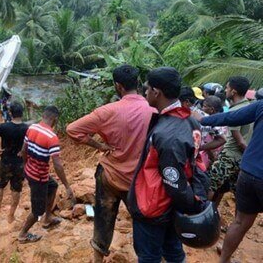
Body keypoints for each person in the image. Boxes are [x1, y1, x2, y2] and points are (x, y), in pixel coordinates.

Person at [66, 64, 154, 261]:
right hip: (138, 179)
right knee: (142, 221)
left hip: (110, 175)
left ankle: (98, 259)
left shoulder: (107, 111)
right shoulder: (153, 110)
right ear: (138, 83)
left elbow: (72, 129)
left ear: (118, 86)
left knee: (103, 219)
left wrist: (98, 145)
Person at [127, 67, 206, 263]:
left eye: (146, 89)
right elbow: (196, 164)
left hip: (155, 206)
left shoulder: (167, 134)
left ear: (156, 92)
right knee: (173, 250)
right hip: (173, 206)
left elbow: (174, 181)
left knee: (149, 257)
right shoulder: (190, 121)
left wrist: (192, 203)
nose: (144, 93)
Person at [197, 100, 262, 263]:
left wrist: (202, 119)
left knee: (240, 222)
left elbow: (231, 117)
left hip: (247, 173)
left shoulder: (261, 105)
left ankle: (224, 260)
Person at [17, 106, 74, 244]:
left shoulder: (32, 128)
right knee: (37, 211)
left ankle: (48, 218)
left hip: (31, 171)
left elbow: (23, 150)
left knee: (53, 186)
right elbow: (58, 165)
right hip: (38, 177)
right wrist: (67, 186)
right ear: (54, 119)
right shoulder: (51, 137)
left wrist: (26, 166)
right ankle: (23, 234)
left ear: (43, 115)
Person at [208, 76, 252, 208]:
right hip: (241, 159)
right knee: (236, 192)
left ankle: (202, 218)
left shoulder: (235, 111)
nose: (225, 90)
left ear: (233, 91)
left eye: (227, 88)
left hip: (230, 155)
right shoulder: (249, 107)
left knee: (210, 185)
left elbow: (238, 140)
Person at [0, 102, 29, 223]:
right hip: (19, 163)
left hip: (5, 162)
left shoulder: (3, 127)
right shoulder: (27, 128)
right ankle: (11, 215)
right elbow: (32, 143)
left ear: (10, 113)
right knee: (16, 189)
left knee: (0, 186)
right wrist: (24, 152)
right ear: (22, 113)